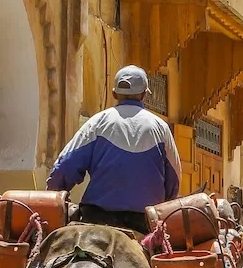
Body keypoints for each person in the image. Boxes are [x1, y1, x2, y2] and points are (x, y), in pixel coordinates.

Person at [46, 64, 181, 234]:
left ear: (114, 94)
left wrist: (54, 197)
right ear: (145, 95)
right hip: (145, 223)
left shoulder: (97, 123)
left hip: (96, 218)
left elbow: (65, 167)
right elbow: (174, 180)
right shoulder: (161, 128)